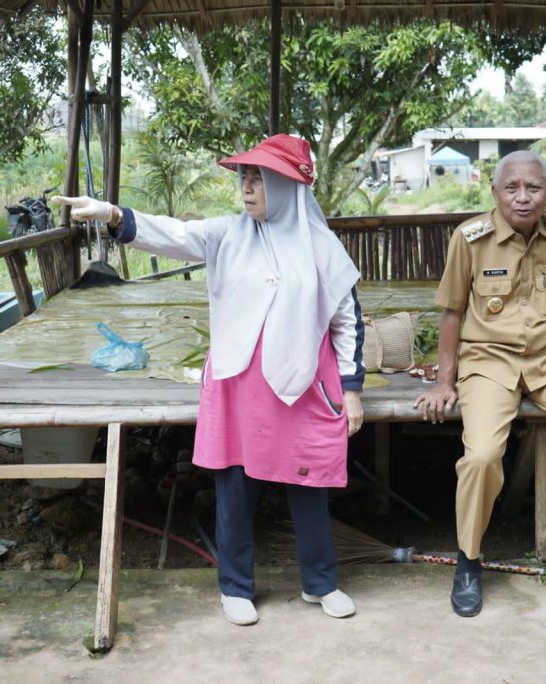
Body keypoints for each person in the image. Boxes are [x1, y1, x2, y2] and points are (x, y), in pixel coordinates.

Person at [53, 134, 365, 626]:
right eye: (245, 176)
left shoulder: (322, 247)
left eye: (260, 177)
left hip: (304, 382)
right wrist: (113, 215)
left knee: (308, 483)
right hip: (239, 384)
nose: (247, 186)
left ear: (289, 188)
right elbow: (172, 234)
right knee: (235, 484)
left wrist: (351, 390)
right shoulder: (226, 234)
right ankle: (236, 586)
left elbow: (347, 320)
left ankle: (320, 582)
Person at [413, 150, 546, 617]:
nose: (523, 197)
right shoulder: (469, 239)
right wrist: (443, 382)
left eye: (533, 188)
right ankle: (468, 560)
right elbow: (451, 313)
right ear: (495, 192)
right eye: (512, 188)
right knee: (483, 456)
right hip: (488, 362)